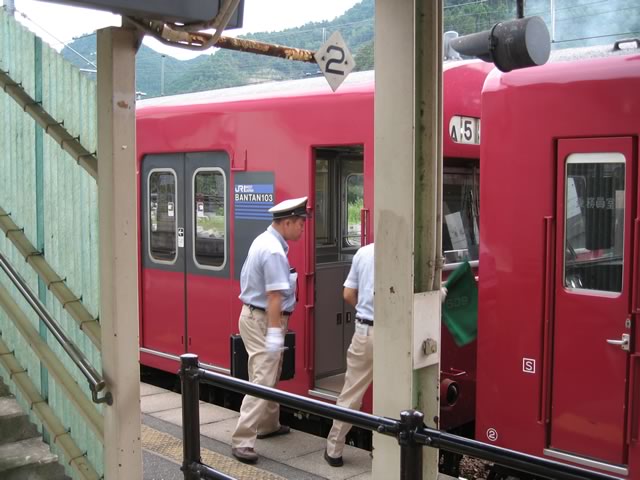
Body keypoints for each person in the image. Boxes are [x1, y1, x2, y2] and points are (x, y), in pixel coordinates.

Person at [231, 196, 308, 464]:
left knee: (269, 373)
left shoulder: (263, 240)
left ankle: (268, 425)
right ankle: (242, 440)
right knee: (263, 377)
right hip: (264, 319)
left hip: (256, 316)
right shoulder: (274, 251)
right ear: (287, 223)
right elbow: (274, 296)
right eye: (300, 224)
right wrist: (275, 334)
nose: (302, 229)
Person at [324, 242, 374, 467]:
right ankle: (387, 452)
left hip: (365, 332)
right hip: (394, 336)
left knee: (351, 393)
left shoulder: (363, 253)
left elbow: (348, 294)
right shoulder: (406, 252)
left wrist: (364, 310)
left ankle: (333, 450)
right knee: (394, 396)